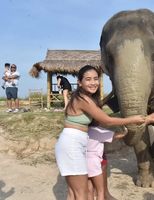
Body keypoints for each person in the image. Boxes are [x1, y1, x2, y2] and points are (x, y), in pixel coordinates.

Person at [54, 65, 144, 200]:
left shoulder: (82, 98)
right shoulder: (82, 99)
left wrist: (111, 95)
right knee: (82, 193)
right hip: (72, 145)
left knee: (73, 193)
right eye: (88, 79)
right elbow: (107, 121)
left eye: (96, 79)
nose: (93, 82)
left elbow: (96, 106)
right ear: (79, 82)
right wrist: (133, 119)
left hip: (71, 144)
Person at [86, 126, 128, 200]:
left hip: (84, 160)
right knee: (100, 190)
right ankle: (105, 195)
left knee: (90, 190)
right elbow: (119, 135)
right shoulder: (99, 131)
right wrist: (126, 131)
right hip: (96, 161)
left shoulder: (82, 130)